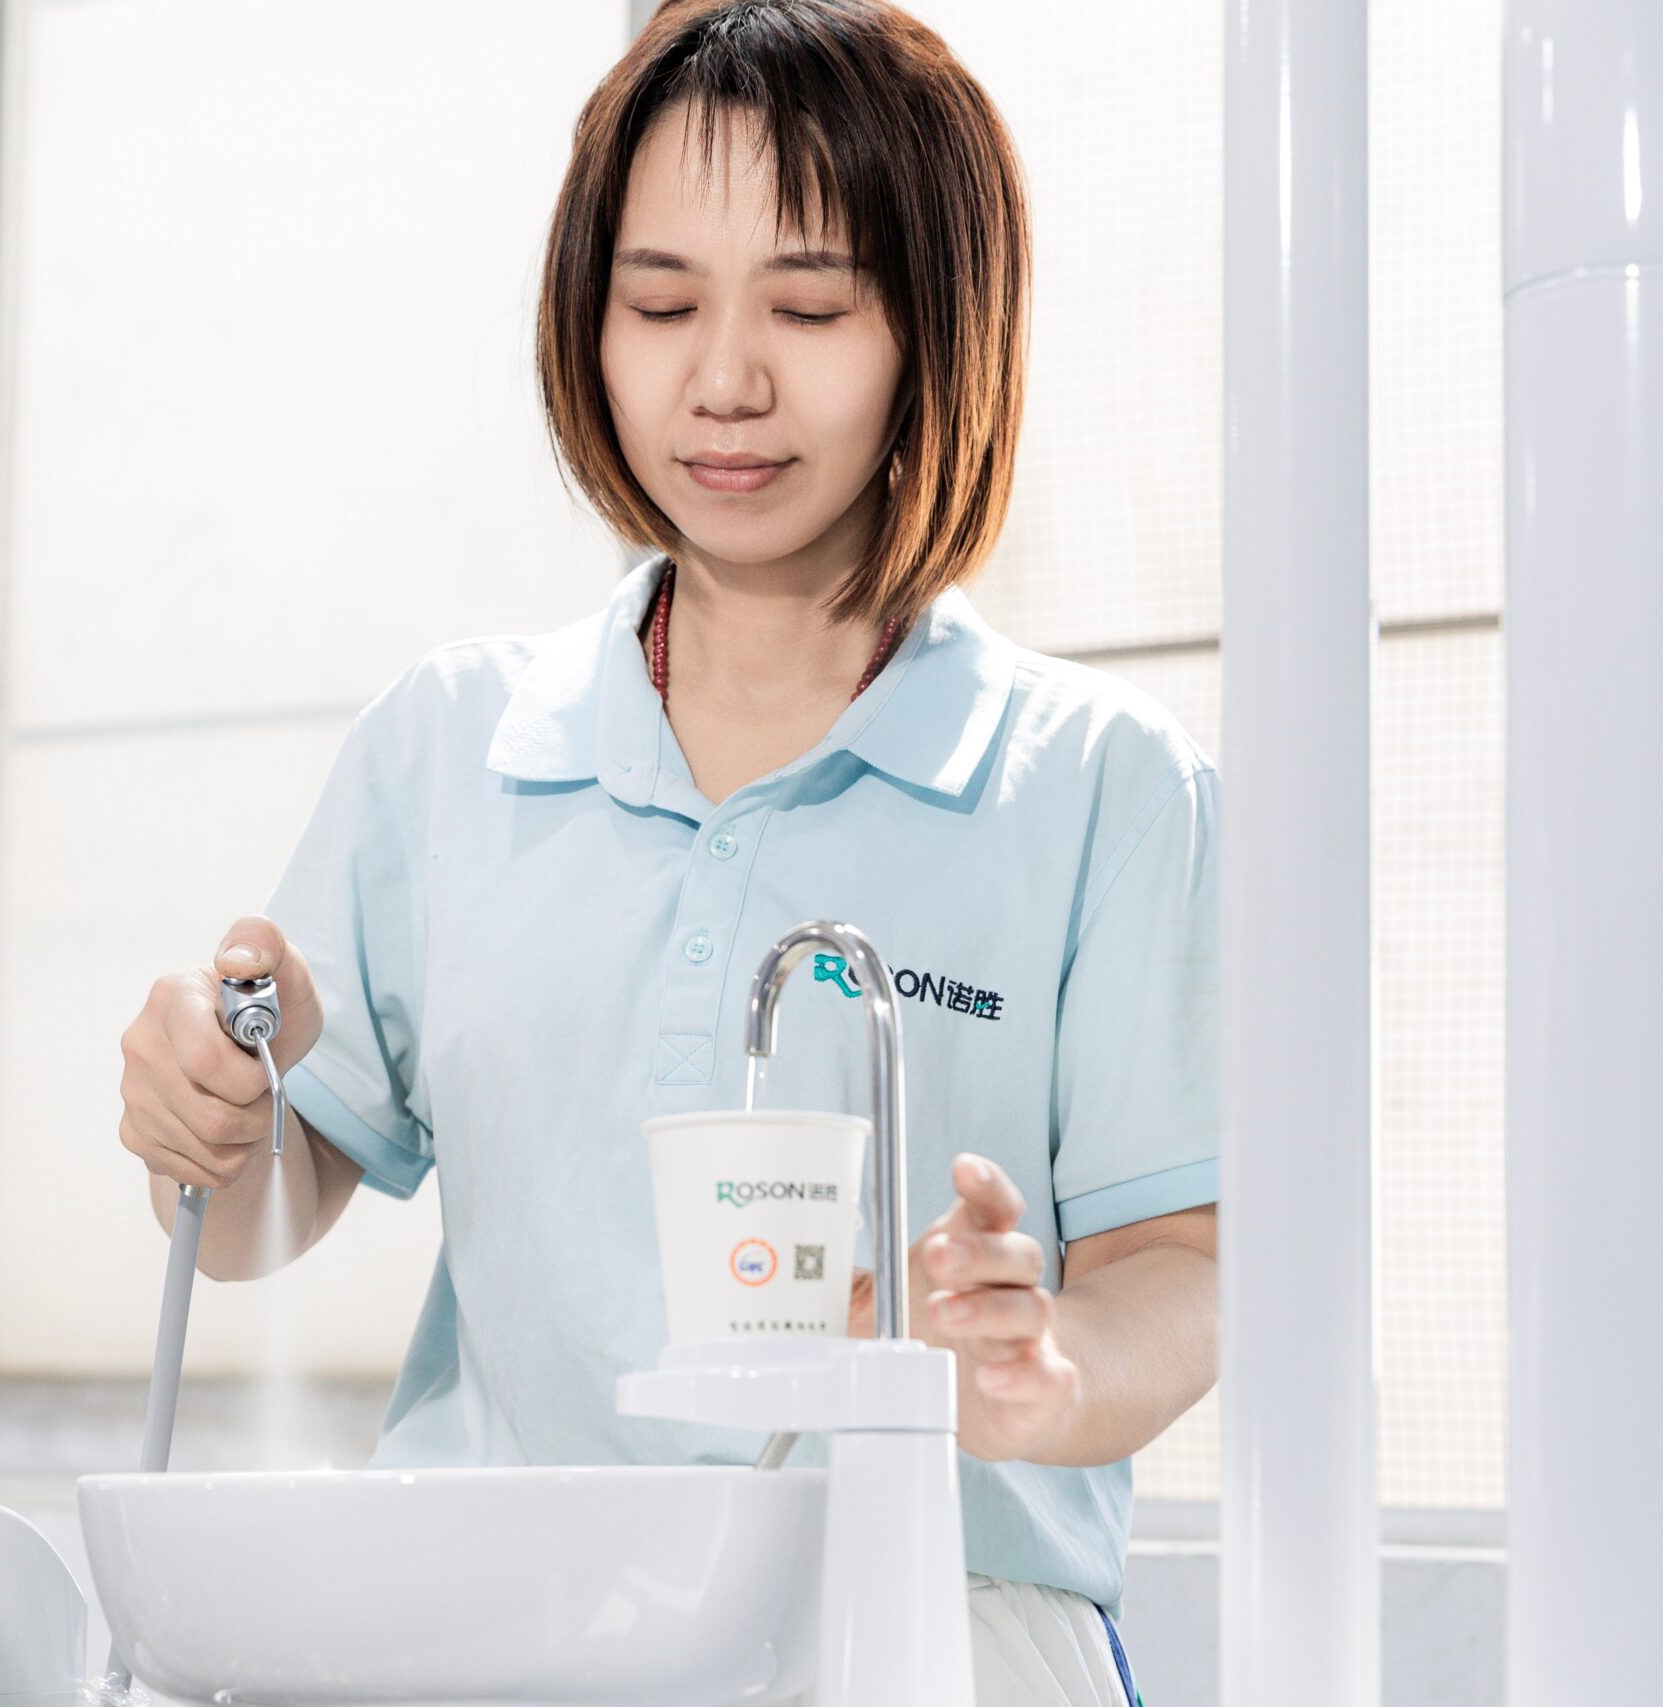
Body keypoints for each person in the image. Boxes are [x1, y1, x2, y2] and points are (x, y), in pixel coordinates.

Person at [115, 4, 1214, 1702]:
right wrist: (212, 1120)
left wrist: (1042, 1366)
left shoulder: (1097, 786)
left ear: (938, 328)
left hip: (922, 1628)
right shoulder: (450, 747)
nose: (725, 380)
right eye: (661, 302)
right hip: (497, 1625)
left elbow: (1185, 1270)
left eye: (811, 304)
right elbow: (269, 1209)